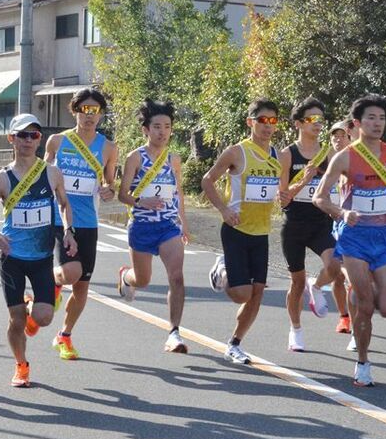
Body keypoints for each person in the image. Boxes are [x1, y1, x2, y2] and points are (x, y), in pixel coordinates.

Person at [314, 94, 386, 387]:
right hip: (355, 238)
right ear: (357, 124)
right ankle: (362, 362)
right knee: (366, 306)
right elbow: (319, 197)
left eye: (382, 118)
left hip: (384, 237)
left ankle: (355, 293)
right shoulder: (345, 156)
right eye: (371, 118)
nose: (377, 123)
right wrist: (341, 211)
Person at [0, 114, 77, 387]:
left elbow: (64, 205)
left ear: (39, 139)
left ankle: (31, 307)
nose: (28, 140)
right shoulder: (0, 179)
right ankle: (21, 366)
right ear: (11, 139)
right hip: (12, 257)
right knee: (16, 320)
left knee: (44, 318)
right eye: (22, 135)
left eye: (34, 135)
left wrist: (69, 231)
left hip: (41, 257)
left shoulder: (51, 173)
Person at [201, 98, 283, 365]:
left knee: (257, 293)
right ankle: (221, 271)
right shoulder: (237, 152)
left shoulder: (277, 156)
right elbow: (208, 181)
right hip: (236, 229)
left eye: (273, 121)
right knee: (241, 294)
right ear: (251, 122)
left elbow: (275, 191)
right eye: (263, 120)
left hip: (261, 233)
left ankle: (235, 344)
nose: (268, 126)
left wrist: (284, 195)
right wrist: (224, 210)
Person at [45, 88, 118, 360]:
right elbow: (44, 176)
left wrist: (109, 190)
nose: (89, 116)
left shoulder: (108, 147)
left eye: (95, 111)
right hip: (59, 218)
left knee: (82, 285)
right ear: (74, 111)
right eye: (84, 110)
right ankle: (52, 281)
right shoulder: (57, 141)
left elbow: (109, 183)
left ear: (100, 115)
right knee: (71, 272)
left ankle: (64, 335)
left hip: (89, 220)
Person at [116, 100, 189, 354]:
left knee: (177, 277)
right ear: (146, 129)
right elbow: (122, 194)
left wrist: (184, 225)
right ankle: (126, 277)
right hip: (142, 226)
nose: (162, 132)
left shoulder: (174, 159)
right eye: (157, 126)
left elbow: (178, 193)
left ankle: (174, 333)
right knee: (143, 280)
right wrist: (141, 200)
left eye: (167, 126)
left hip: (168, 226)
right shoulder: (135, 157)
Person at [278, 97, 342, 352]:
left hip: (320, 223)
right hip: (294, 224)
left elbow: (342, 185)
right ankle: (296, 330)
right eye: (311, 119)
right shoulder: (287, 154)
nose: (317, 124)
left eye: (320, 120)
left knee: (335, 266)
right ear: (298, 124)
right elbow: (283, 198)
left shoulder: (330, 154)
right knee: (295, 282)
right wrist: (303, 180)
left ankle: (316, 287)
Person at [327, 120, 353, 333]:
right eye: (334, 136)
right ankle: (344, 317)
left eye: (341, 136)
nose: (337, 139)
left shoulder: (358, 160)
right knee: (337, 275)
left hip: (353, 226)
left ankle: (356, 317)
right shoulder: (326, 160)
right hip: (332, 224)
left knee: (350, 274)